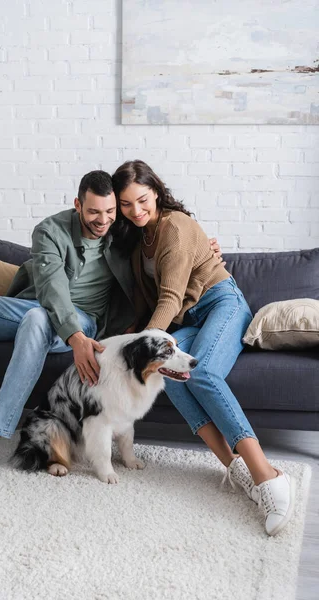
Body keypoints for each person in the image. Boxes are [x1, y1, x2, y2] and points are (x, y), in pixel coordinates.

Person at [0, 168, 224, 494]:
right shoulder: (50, 231)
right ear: (78, 205)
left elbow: (168, 235)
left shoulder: (123, 233)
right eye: (94, 212)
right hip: (38, 309)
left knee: (37, 320)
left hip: (84, 319)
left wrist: (208, 247)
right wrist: (75, 339)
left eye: (111, 211)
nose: (103, 220)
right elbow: (51, 290)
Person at [111, 160, 295, 537]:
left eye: (142, 200)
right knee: (175, 376)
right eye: (126, 204)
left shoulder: (175, 227)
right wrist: (129, 333)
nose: (136, 211)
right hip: (189, 320)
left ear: (157, 193)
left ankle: (269, 477)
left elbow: (169, 298)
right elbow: (149, 303)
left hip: (221, 303)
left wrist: (141, 346)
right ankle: (235, 468)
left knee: (205, 372)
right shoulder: (138, 241)